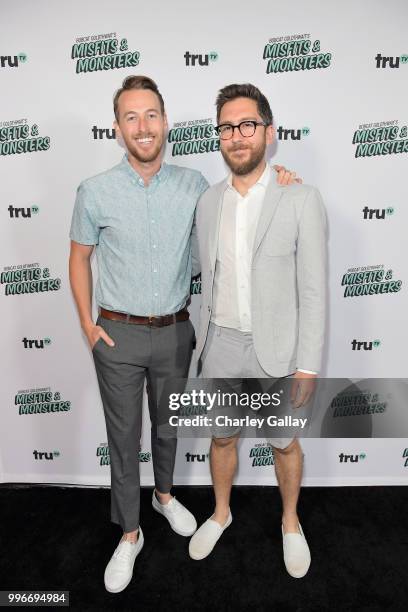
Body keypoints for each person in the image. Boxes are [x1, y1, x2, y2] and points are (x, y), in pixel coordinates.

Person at [69, 75, 299, 593]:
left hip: (176, 332)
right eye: (131, 117)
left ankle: (165, 497)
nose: (142, 126)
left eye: (151, 114)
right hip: (117, 336)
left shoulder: (196, 185)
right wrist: (88, 324)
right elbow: (78, 257)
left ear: (166, 122)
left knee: (168, 428)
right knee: (124, 441)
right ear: (116, 128)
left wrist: (279, 177)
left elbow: (245, 197)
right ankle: (129, 534)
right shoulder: (94, 191)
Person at [189, 83, 327, 579]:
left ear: (268, 133)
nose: (236, 135)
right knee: (222, 439)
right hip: (221, 347)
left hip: (280, 352)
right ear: (219, 137)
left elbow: (312, 291)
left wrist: (307, 364)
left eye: (247, 124)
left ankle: (291, 522)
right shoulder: (207, 203)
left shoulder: (300, 197)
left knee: (285, 443)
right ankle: (221, 513)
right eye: (227, 127)